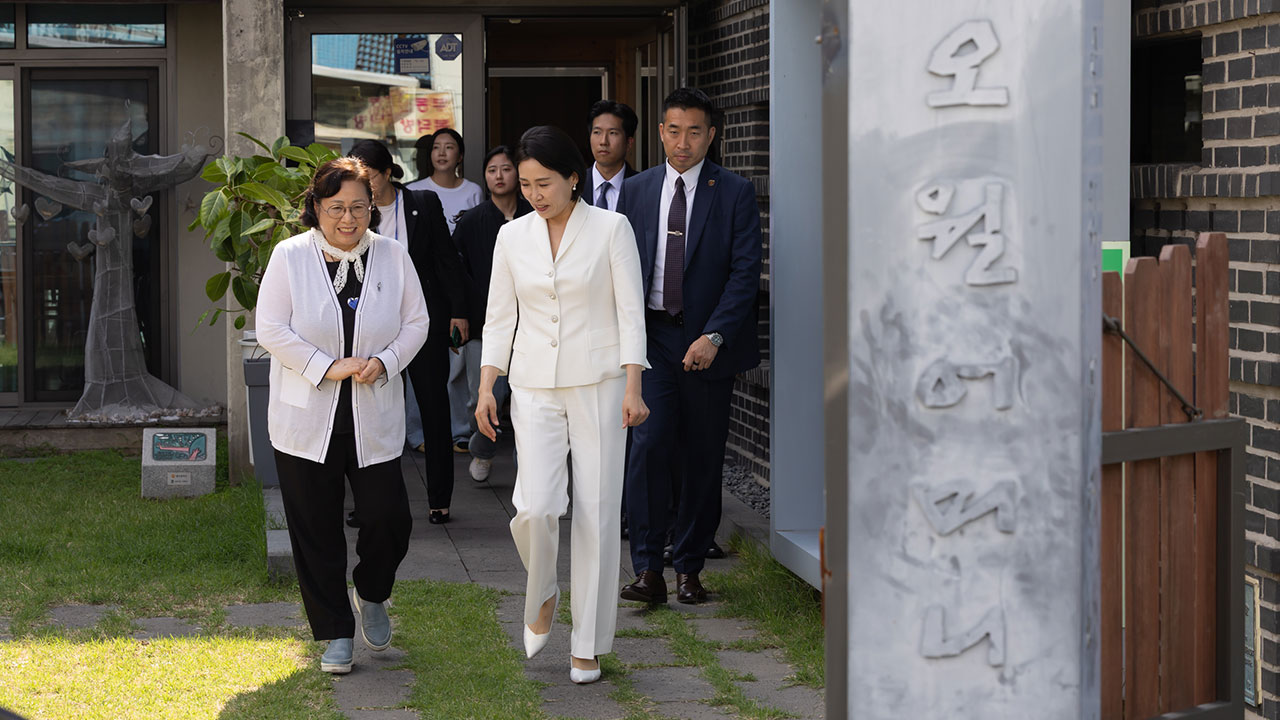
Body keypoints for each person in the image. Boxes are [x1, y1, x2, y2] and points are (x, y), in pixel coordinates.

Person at [476, 125, 649, 685]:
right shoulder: (512, 237)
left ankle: (588, 644)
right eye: (525, 185)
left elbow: (630, 314)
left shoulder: (611, 229)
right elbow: (499, 316)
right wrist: (487, 385)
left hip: (600, 380)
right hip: (532, 384)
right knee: (535, 505)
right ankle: (543, 587)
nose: (533, 194)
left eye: (544, 183)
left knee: (598, 511)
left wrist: (633, 385)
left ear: (574, 178)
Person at [256, 157, 430, 674]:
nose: (349, 219)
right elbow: (271, 328)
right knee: (315, 528)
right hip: (306, 418)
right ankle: (335, 631)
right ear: (315, 207)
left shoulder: (393, 256)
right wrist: (325, 367)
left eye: (359, 207)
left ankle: (372, 592)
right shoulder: (290, 256)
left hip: (372, 411)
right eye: (336, 208)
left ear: (372, 207)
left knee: (388, 519)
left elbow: (417, 322)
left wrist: (385, 361)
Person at [617, 88, 763, 605]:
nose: (683, 142)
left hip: (708, 343)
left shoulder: (735, 191)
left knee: (702, 455)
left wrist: (715, 335)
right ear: (660, 132)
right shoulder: (635, 190)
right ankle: (648, 567)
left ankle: (690, 567)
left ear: (711, 135)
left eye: (695, 131)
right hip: (652, 337)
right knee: (649, 447)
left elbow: (746, 274)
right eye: (674, 130)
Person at [348, 139, 468, 525]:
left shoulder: (422, 203)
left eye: (370, 177)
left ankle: (439, 499)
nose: (364, 186)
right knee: (368, 413)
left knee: (433, 407)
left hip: (421, 319)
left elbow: (445, 259)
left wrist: (458, 312)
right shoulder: (353, 211)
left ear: (387, 173)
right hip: (370, 324)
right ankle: (367, 503)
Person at [453, 144, 533, 482]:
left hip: (532, 325)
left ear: (518, 174)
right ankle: (483, 450)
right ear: (484, 177)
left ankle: (526, 464)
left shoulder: (537, 214)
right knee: (483, 398)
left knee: (527, 401)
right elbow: (457, 272)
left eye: (506, 169)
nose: (499, 176)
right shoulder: (471, 222)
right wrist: (459, 314)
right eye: (492, 170)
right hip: (485, 325)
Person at [408, 128, 484, 455]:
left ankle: (459, 431)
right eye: (436, 147)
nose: (442, 153)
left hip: (457, 288)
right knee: (417, 361)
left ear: (460, 155)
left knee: (456, 362)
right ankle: (417, 433)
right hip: (422, 289)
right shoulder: (414, 192)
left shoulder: (473, 192)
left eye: (449, 147)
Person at [587, 100, 639, 212]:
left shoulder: (642, 188)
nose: (603, 141)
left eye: (613, 133)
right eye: (597, 132)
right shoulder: (573, 185)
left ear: (629, 143)